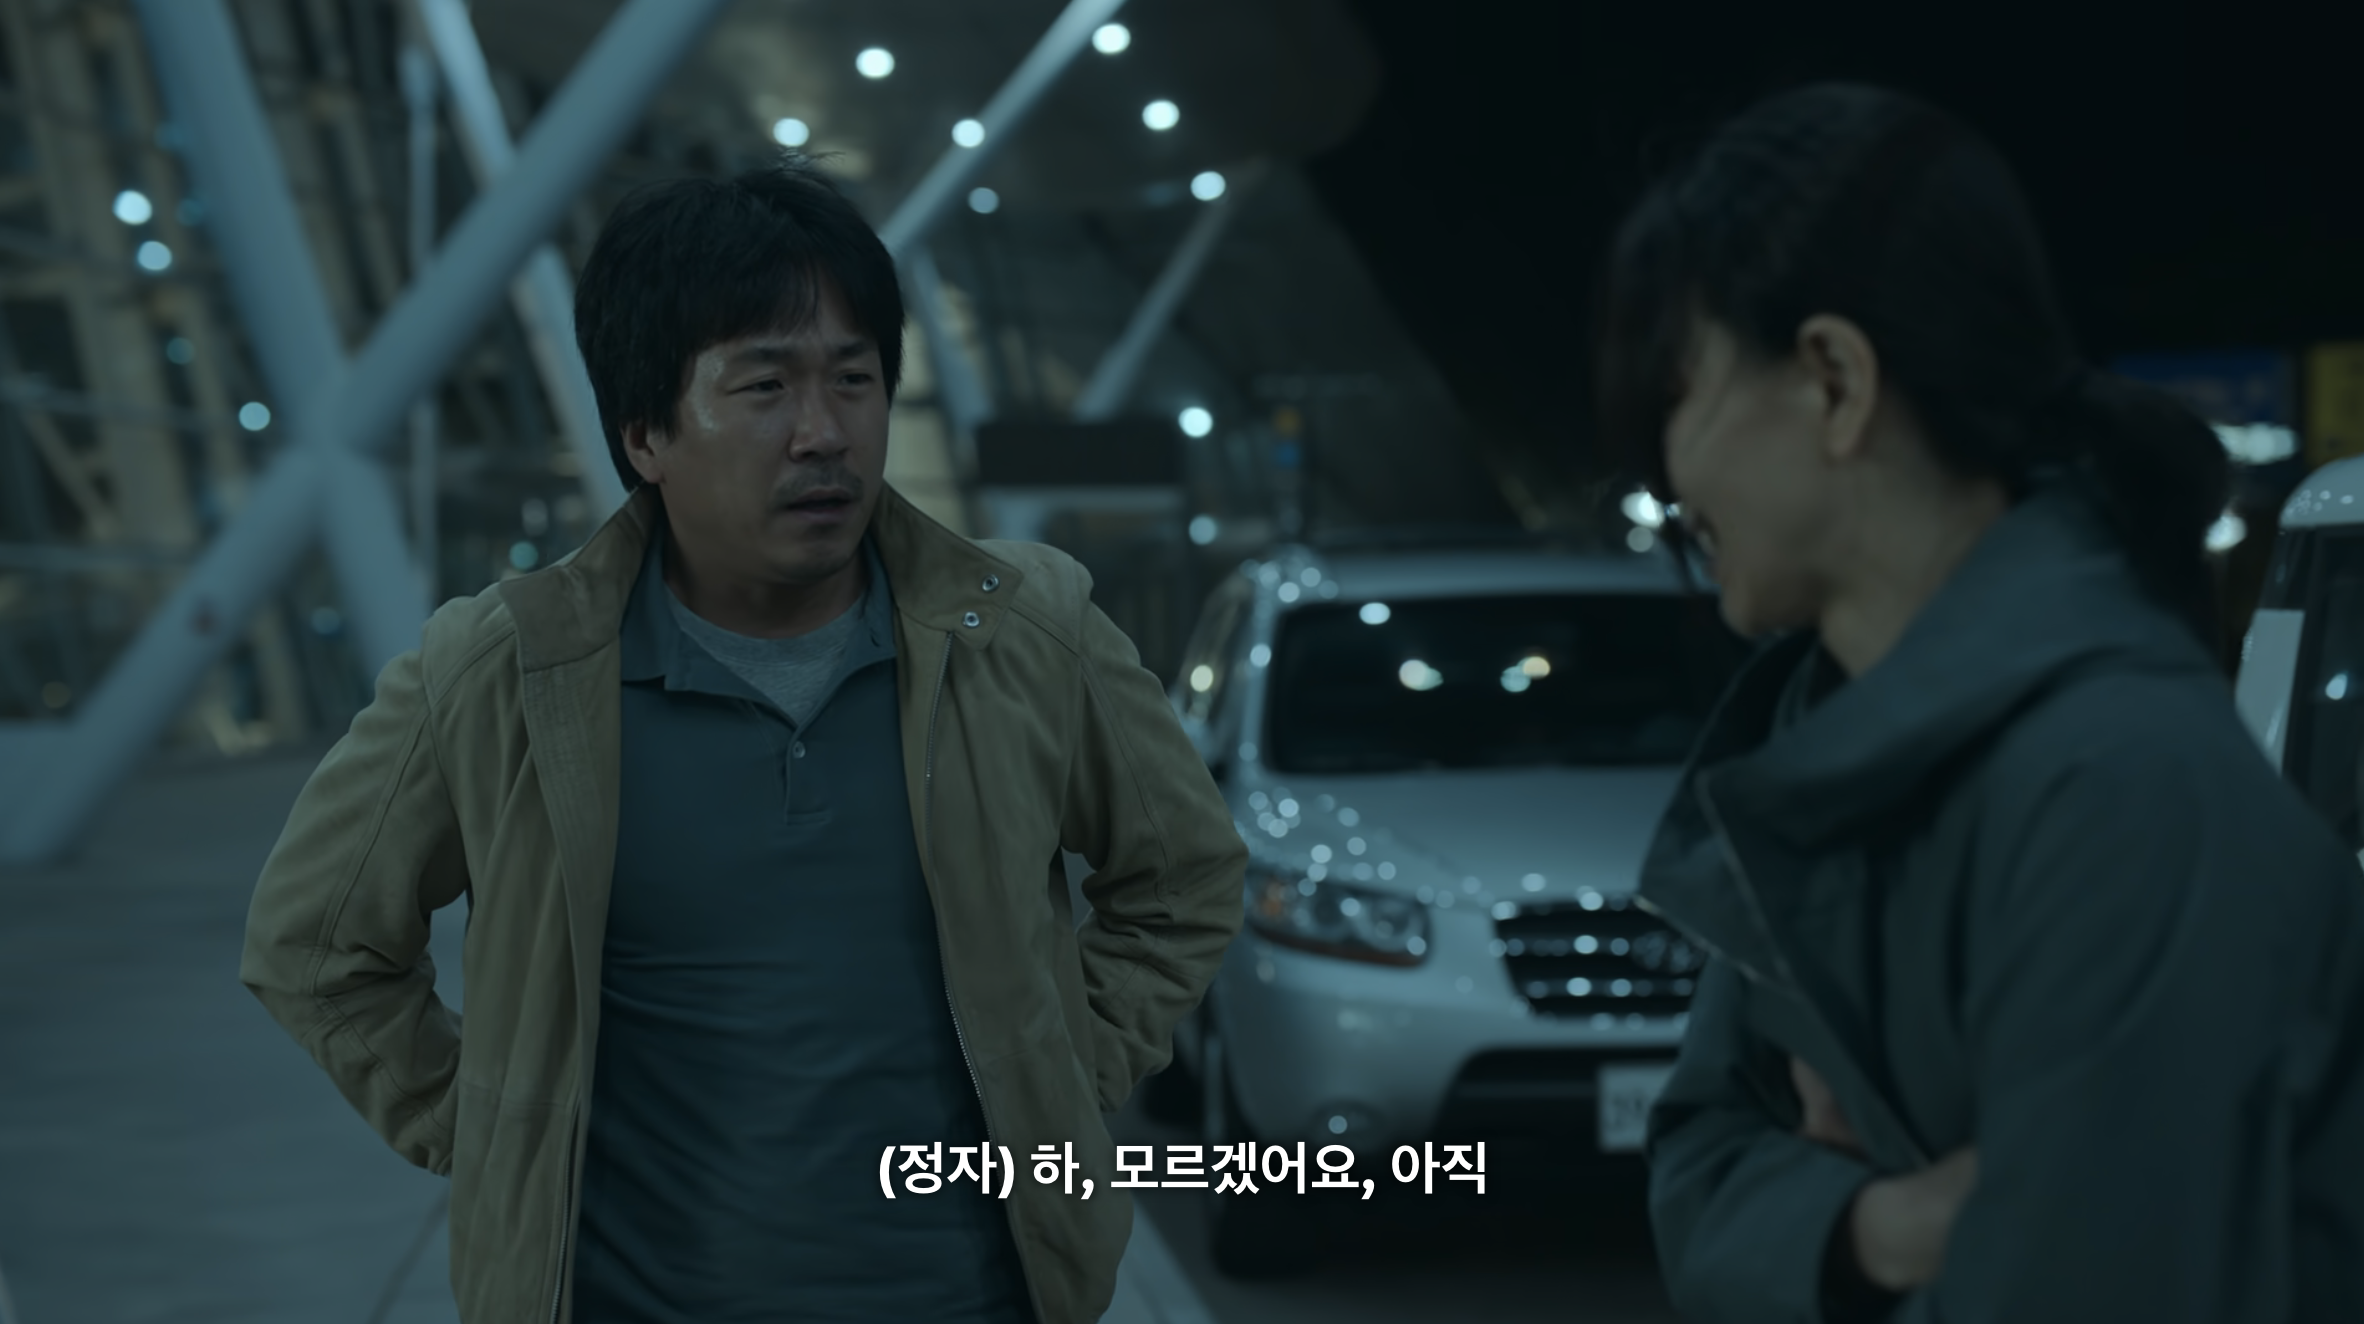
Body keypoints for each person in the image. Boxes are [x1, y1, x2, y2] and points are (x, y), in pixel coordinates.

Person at [239, 153, 1247, 1324]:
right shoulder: (506, 670)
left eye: (854, 380)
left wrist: (1059, 1077)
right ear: (645, 434)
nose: (823, 433)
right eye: (763, 386)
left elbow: (1181, 878)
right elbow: (314, 943)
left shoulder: (1024, 632)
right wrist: (504, 1132)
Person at [1596, 83, 2364, 1322]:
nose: (1671, 474)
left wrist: (1828, 1215)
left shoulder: (2125, 791)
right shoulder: (1814, 759)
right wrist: (1880, 1226)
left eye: (1681, 392)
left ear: (1835, 380)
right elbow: (1698, 1160)